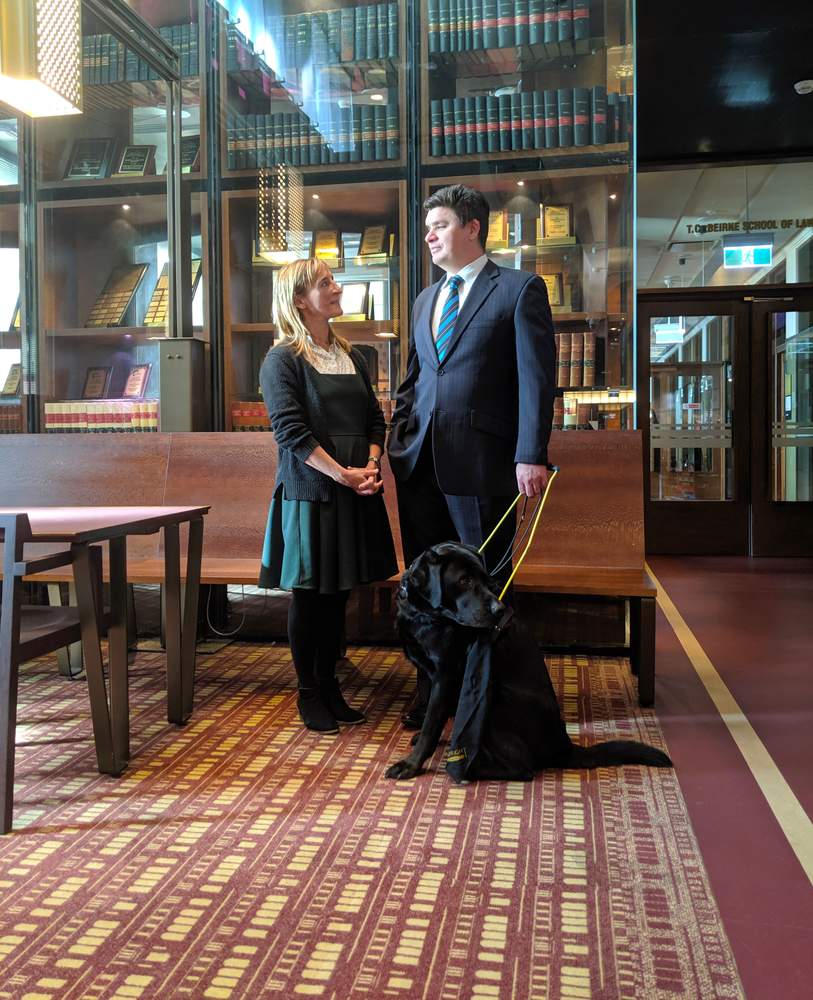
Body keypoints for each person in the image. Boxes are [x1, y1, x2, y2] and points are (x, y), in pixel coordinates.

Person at [387, 184, 555, 725]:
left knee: (482, 592)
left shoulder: (519, 289)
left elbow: (536, 381)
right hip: (419, 465)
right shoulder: (424, 299)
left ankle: (485, 698)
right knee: (427, 590)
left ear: (472, 227)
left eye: (439, 225)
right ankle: (433, 694)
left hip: (483, 465)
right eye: (428, 227)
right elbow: (413, 380)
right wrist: (398, 435)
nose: (430, 236)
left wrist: (531, 454)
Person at [259, 258, 398, 734]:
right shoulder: (282, 360)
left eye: (333, 281)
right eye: (326, 283)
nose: (337, 288)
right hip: (311, 492)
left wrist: (372, 466)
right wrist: (342, 474)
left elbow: (376, 421)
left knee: (339, 595)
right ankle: (309, 692)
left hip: (356, 485)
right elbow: (291, 433)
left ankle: (331, 685)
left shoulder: (354, 356)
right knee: (310, 596)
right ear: (300, 300)